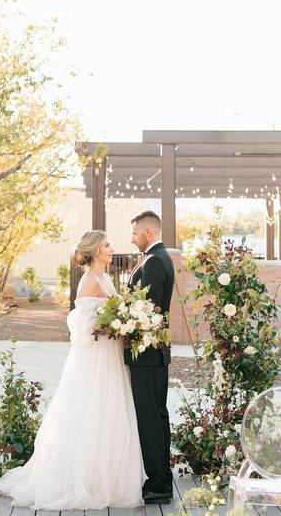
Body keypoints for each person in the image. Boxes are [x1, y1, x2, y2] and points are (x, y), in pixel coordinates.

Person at [0, 231, 146, 510]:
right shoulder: (89, 281)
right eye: (107, 245)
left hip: (110, 355)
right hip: (96, 358)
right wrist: (112, 325)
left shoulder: (105, 278)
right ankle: (84, 480)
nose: (112, 249)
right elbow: (81, 328)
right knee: (93, 410)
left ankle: (108, 478)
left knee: (110, 411)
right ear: (96, 250)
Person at [127, 210, 175, 504]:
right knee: (157, 416)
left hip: (147, 354)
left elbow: (149, 310)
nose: (131, 239)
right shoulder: (156, 258)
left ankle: (158, 483)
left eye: (134, 234)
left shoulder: (155, 260)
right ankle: (162, 478)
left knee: (151, 419)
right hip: (152, 355)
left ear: (148, 232)